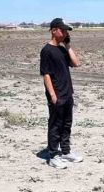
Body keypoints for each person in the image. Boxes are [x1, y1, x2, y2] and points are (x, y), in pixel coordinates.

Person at [40, 18, 82, 169]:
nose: (65, 33)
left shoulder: (62, 50)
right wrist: (52, 95)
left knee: (66, 124)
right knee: (55, 125)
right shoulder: (46, 50)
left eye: (66, 31)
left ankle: (65, 152)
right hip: (56, 94)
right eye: (62, 30)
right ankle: (53, 156)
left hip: (67, 93)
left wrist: (68, 45)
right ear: (54, 30)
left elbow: (76, 63)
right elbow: (46, 74)